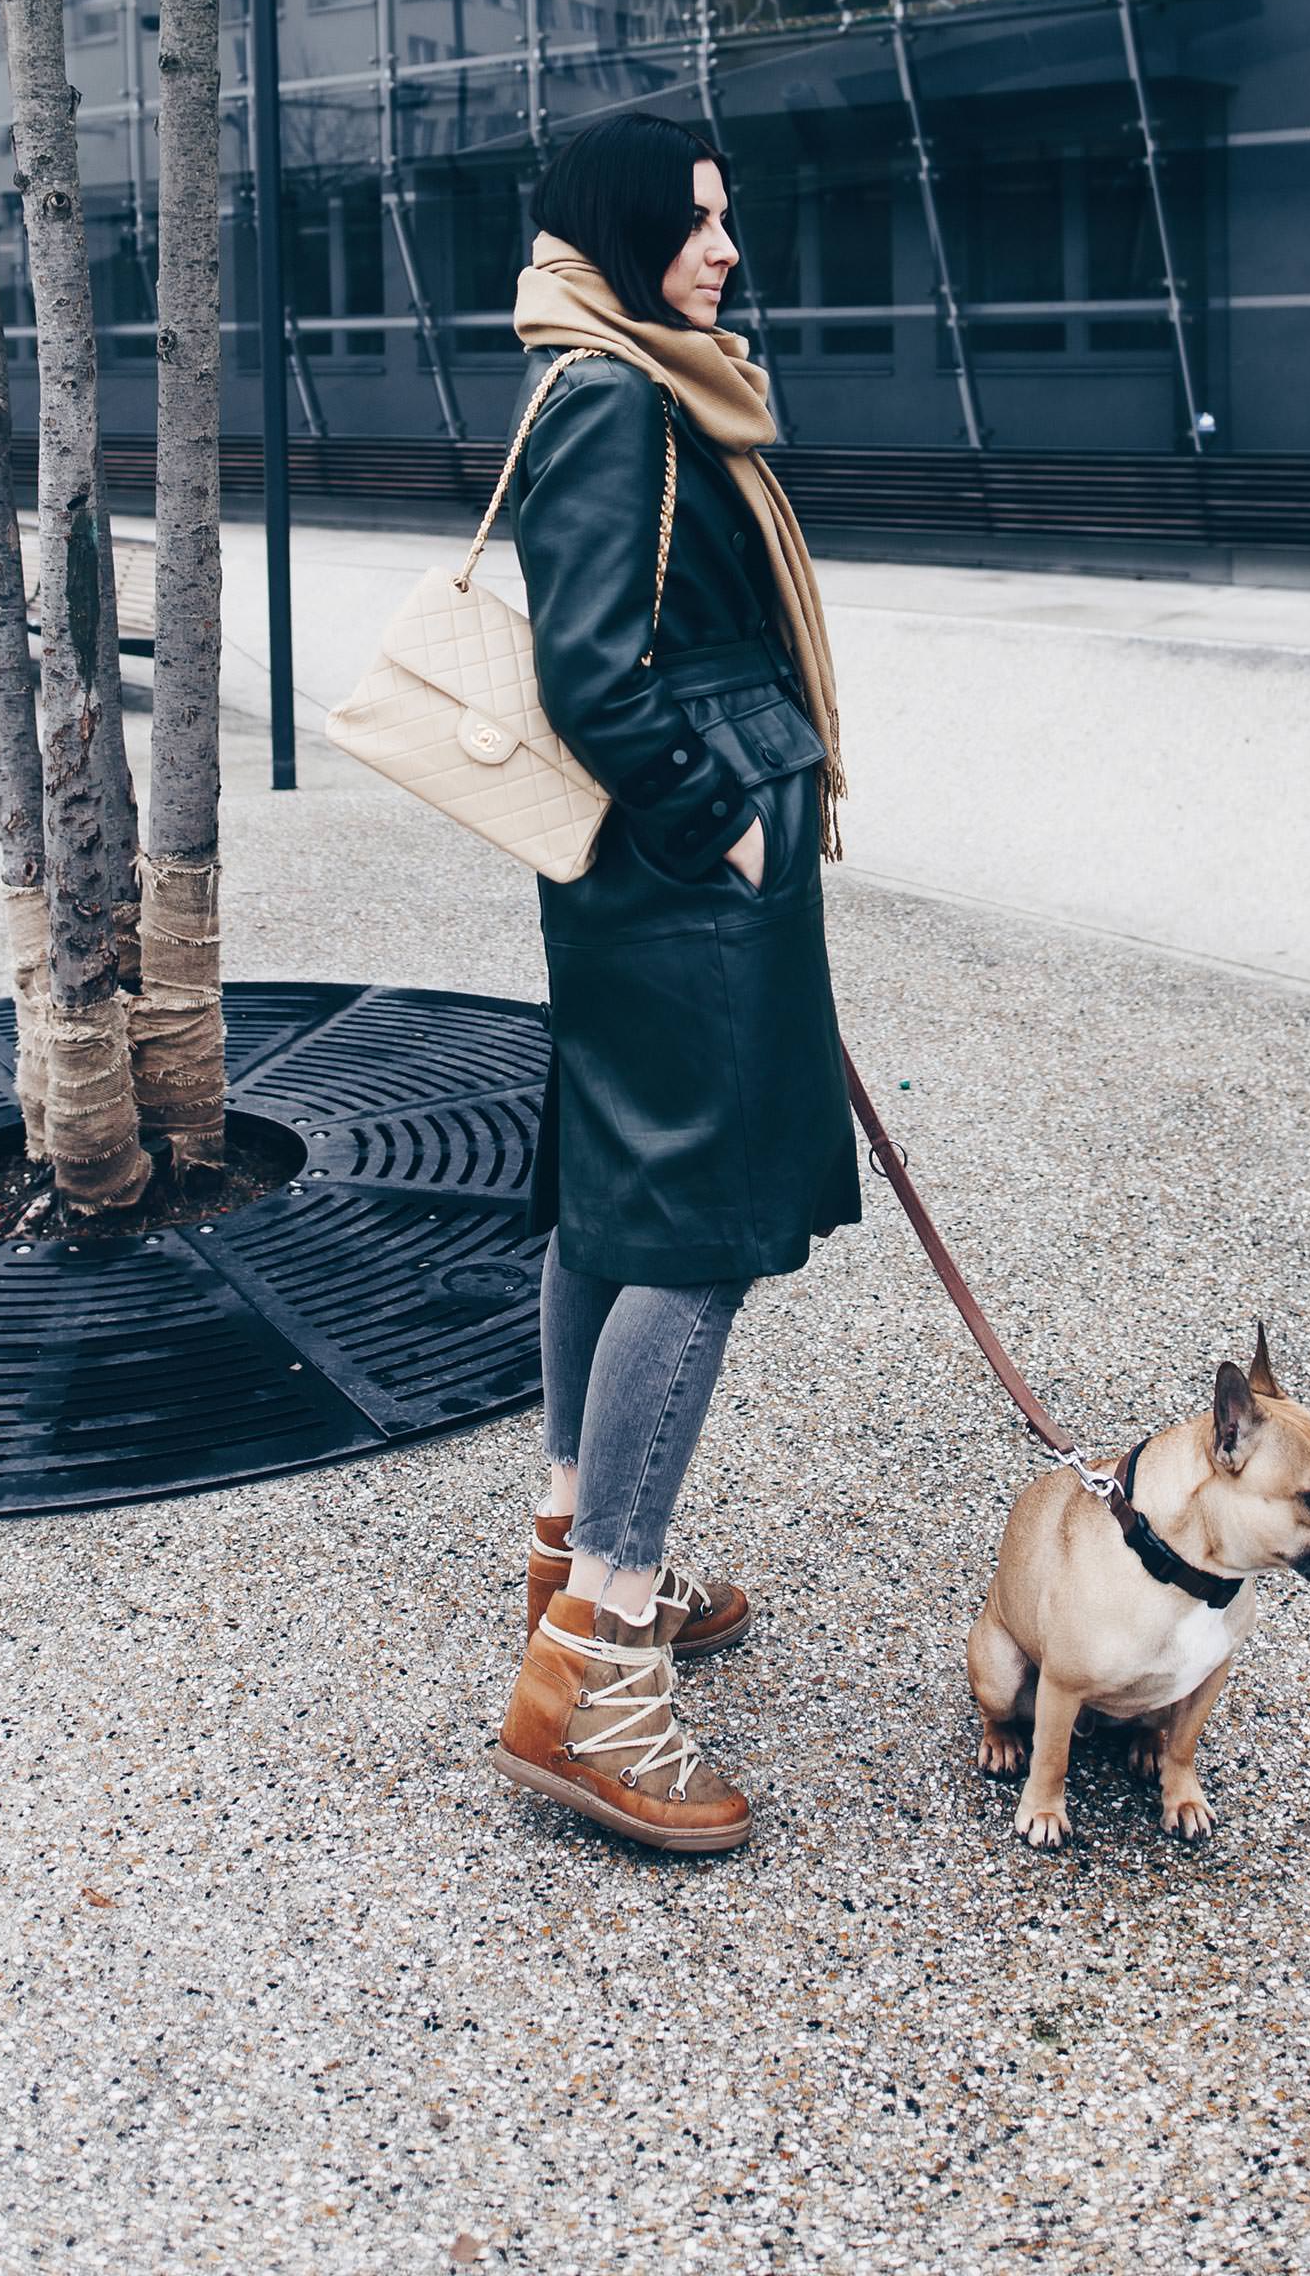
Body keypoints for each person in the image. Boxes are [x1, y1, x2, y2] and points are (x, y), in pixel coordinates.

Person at [491, 109, 860, 1856]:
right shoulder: (620, 392)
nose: (724, 247)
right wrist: (727, 827)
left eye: (728, 216)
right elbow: (591, 667)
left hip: (664, 881)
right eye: (696, 223)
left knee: (614, 1206)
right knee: (693, 1238)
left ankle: (576, 1544)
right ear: (625, 230)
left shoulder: (623, 367)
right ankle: (599, 1666)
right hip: (681, 877)